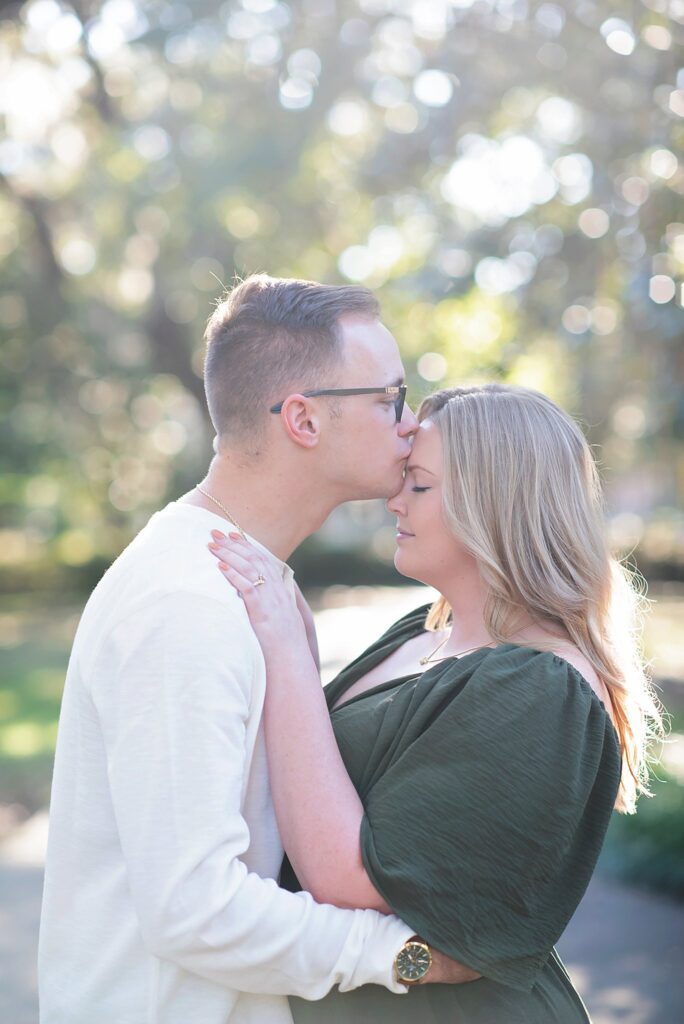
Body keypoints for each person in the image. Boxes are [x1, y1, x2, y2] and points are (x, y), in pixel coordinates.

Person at [38, 276, 475, 1024]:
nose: (409, 425)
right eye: (388, 397)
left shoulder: (237, 579)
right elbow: (194, 909)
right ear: (302, 419)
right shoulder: (185, 604)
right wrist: (407, 953)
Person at [210, 383, 664, 1024]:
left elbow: (354, 879)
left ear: (494, 504)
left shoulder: (539, 688)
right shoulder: (420, 632)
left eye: (418, 485)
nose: (394, 499)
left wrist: (286, 655)